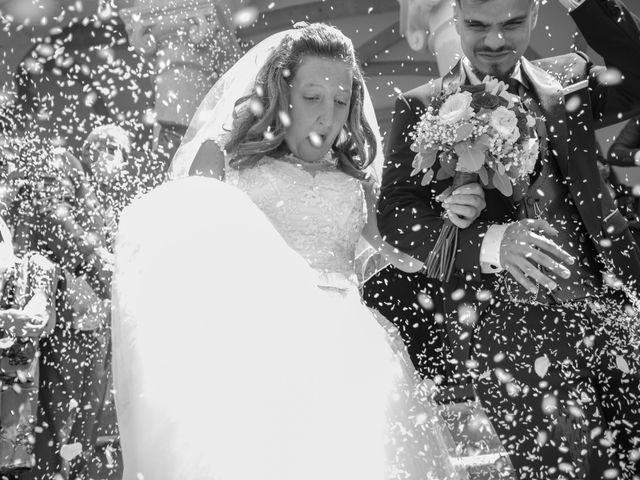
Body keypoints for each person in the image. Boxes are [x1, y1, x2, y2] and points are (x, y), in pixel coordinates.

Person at [112, 23, 488, 480]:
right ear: (281, 94)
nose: (328, 117)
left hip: (348, 352)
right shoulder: (225, 162)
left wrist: (451, 215)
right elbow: (189, 253)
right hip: (256, 346)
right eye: (313, 98)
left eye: (341, 101)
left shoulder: (360, 184)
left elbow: (408, 255)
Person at [377, 0, 640, 478]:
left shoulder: (570, 78)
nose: (495, 42)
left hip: (617, 307)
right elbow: (396, 215)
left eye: (512, 23)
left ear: (537, 14)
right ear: (455, 16)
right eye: (476, 25)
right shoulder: (423, 105)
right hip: (513, 338)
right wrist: (491, 241)